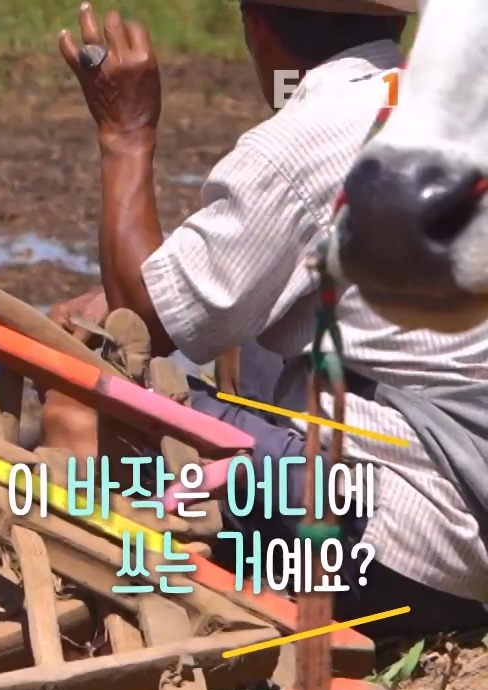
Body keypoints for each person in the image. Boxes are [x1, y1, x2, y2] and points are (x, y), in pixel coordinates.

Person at [43, 0, 488, 640]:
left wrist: (126, 133)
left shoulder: (305, 139)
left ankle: (89, 652)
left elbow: (145, 317)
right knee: (251, 341)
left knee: (79, 408)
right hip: (468, 528)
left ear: (257, 26)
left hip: (405, 546)